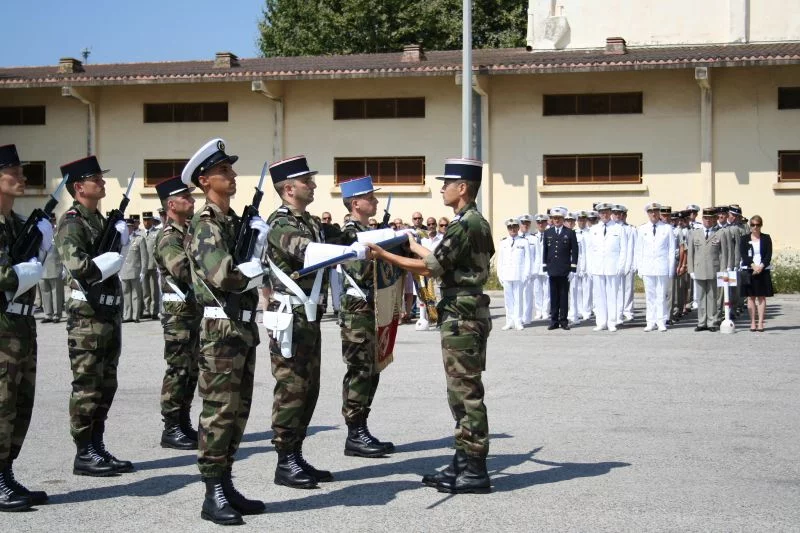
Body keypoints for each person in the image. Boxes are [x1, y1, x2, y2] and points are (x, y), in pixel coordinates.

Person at [367, 157, 494, 494]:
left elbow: (429, 269)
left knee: (465, 393)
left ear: (462, 188)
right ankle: (463, 460)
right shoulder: (473, 222)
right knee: (459, 391)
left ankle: (476, 469)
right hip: (466, 310)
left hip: (463, 316)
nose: (442, 188)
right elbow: (440, 260)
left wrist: (385, 255)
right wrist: (409, 244)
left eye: (447, 183)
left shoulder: (464, 225)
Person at [184, 138, 267, 524]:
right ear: (205, 181)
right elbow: (223, 275)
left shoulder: (234, 223)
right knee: (218, 412)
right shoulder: (205, 226)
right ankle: (211, 492)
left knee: (239, 411)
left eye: (231, 170)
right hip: (221, 328)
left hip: (243, 329)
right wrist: (254, 269)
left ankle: (227, 482)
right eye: (224, 172)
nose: (232, 176)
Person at [264, 155, 348, 490]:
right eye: (307, 181)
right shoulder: (280, 223)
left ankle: (295, 454)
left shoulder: (309, 221)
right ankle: (284, 461)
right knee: (291, 388)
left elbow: (331, 242)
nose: (313, 185)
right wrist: (349, 250)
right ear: (288, 189)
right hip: (290, 316)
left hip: (308, 315)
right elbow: (308, 252)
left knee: (308, 388)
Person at [55, 155, 133, 476]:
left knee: (107, 383)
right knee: (87, 383)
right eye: (96, 179)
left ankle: (97, 445)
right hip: (87, 316)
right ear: (79, 187)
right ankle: (83, 451)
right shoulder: (72, 222)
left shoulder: (100, 221)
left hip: (107, 312)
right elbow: (80, 267)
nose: (102, 183)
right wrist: (111, 260)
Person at [0, 144, 51, 511]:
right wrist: (15, 273)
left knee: (19, 404)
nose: (22, 178)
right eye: (14, 172)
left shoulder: (19, 224)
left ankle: (5, 471)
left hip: (21, 326)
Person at [336, 176, 396, 457]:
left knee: (372, 369)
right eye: (370, 198)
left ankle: (362, 427)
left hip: (371, 308)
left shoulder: (369, 231)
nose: (375, 202)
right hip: (357, 310)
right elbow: (360, 269)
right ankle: (354, 432)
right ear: (355, 203)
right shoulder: (349, 233)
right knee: (360, 369)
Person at [154, 176, 201, 451]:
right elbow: (183, 270)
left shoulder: (187, 233)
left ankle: (183, 422)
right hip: (178, 315)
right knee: (178, 370)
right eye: (186, 197)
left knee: (191, 370)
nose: (192, 201)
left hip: (192, 312)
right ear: (172, 204)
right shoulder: (169, 237)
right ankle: (171, 427)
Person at [634, 203, 675, 332]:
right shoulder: (642, 229)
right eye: (651, 212)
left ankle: (661, 321)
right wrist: (639, 268)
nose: (653, 214)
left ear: (659, 213)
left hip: (662, 266)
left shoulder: (667, 228)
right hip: (647, 267)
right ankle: (650, 321)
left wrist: (671, 268)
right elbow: (638, 249)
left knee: (661, 295)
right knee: (650, 295)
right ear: (648, 213)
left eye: (656, 211)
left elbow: (671, 250)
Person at [587, 203, 627, 332]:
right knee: (599, 296)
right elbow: (590, 250)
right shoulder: (593, 229)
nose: (604, 214)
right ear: (598, 214)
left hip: (612, 267)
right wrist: (590, 267)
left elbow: (623, 249)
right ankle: (601, 322)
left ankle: (611, 322)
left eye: (606, 212)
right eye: (602, 212)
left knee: (612, 295)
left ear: (610, 213)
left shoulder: (618, 228)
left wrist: (621, 265)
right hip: (598, 267)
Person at [687, 207, 727, 332]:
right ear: (702, 219)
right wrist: (691, 270)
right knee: (700, 297)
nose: (708, 221)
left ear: (715, 219)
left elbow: (723, 254)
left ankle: (712, 322)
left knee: (712, 297)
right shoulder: (695, 233)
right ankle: (701, 321)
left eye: (710, 218)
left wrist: (723, 270)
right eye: (705, 218)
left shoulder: (720, 233)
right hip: (699, 270)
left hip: (713, 269)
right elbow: (691, 254)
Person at [542, 207, 578, 330]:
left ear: (563, 219)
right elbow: (545, 251)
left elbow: (575, 252)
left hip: (564, 269)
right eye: (554, 218)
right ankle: (554, 321)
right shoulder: (548, 233)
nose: (556, 220)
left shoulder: (570, 232)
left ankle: (563, 321)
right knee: (553, 296)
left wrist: (573, 269)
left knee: (563, 296)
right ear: (552, 219)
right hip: (552, 269)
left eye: (559, 218)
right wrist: (545, 267)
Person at [740, 215, 773, 332]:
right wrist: (753, 265)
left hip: (763, 269)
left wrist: (761, 267)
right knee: (751, 297)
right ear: (750, 225)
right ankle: (752, 322)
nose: (755, 227)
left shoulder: (766, 238)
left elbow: (768, 255)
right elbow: (743, 254)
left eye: (757, 225)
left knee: (762, 297)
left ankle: (760, 323)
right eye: (753, 225)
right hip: (749, 270)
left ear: (761, 225)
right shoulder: (744, 238)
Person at [497, 217, 528, 330]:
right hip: (506, 275)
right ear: (507, 229)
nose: (512, 229)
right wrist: (499, 274)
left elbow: (527, 259)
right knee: (508, 299)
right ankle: (509, 321)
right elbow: (500, 260)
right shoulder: (503, 242)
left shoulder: (524, 242)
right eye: (510, 227)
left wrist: (526, 274)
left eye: (514, 227)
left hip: (518, 274)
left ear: (518, 227)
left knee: (518, 299)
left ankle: (518, 321)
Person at [119, 218, 147, 323]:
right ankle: (127, 315)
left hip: (135, 270)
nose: (128, 229)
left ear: (132, 227)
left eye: (130, 227)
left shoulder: (139, 239)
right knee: (126, 294)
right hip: (124, 271)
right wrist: (118, 271)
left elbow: (144, 256)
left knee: (136, 294)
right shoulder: (121, 240)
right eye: (127, 227)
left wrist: (143, 271)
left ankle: (136, 316)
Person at [39, 213, 64, 323]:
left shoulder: (57, 233)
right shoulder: (39, 233)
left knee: (56, 292)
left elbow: (63, 250)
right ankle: (47, 314)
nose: (50, 222)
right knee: (45, 291)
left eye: (51, 220)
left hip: (55, 266)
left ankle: (56, 314)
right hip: (41, 267)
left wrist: (64, 268)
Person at [142, 211, 161, 320]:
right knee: (145, 290)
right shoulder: (140, 234)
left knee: (154, 291)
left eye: (148, 220)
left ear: (152, 221)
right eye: (144, 220)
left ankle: (154, 310)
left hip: (153, 265)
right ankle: (146, 310)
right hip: (143, 266)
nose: (146, 222)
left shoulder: (157, 233)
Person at [531, 214, 550, 320]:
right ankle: (538, 311)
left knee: (547, 291)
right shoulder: (533, 237)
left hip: (547, 266)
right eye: (539, 222)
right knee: (537, 290)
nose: (541, 224)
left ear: (546, 223)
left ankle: (546, 311)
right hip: (536, 268)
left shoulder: (550, 235)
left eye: (543, 222)